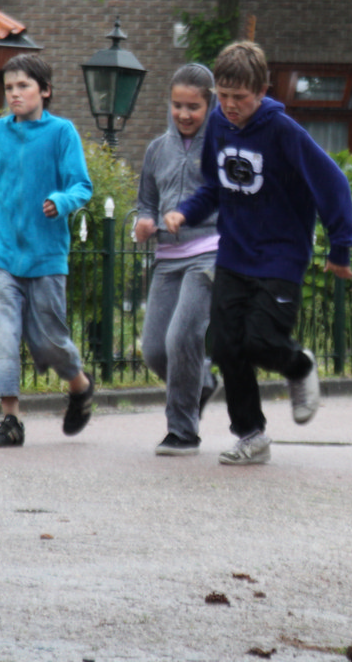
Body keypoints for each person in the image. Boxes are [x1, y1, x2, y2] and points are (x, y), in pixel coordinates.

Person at [164, 41, 352, 466]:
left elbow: (333, 185)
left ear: (262, 91)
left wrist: (341, 248)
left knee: (261, 341)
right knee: (226, 346)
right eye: (223, 96)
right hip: (234, 254)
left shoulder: (284, 132)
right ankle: (251, 435)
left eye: (240, 97)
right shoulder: (218, 124)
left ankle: (298, 366)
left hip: (280, 257)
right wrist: (185, 212)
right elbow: (214, 187)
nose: (230, 106)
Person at [0, 54, 94, 447]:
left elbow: (82, 186)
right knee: (2, 337)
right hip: (2, 255)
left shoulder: (62, 133)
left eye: (23, 86)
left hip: (46, 256)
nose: (14, 94)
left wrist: (61, 201)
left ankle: (80, 386)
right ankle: (11, 420)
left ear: (44, 90)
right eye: (9, 87)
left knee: (49, 343)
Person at [135, 63, 222, 456]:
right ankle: (200, 383)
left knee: (182, 337)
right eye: (177, 105)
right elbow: (146, 202)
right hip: (168, 258)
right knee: (155, 350)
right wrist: (143, 222)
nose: (184, 114)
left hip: (209, 252)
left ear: (210, 105)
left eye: (193, 107)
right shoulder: (157, 150)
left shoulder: (220, 146)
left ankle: (182, 432)